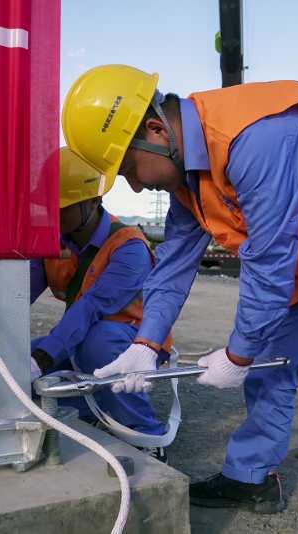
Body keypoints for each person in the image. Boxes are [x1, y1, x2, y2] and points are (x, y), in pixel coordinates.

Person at [62, 65, 298, 533]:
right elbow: (174, 263)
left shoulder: (256, 137)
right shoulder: (187, 174)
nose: (136, 186)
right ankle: (252, 478)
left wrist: (237, 354)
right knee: (269, 363)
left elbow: (269, 261)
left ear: (157, 131)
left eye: (128, 170)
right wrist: (145, 343)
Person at [30, 147, 172, 460]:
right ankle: (93, 408)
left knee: (95, 343)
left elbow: (92, 307)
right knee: (21, 361)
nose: (54, 216)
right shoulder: (53, 243)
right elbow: (17, 295)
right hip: (80, 336)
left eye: (63, 208)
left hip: (131, 340)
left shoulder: (129, 248)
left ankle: (147, 436)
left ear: (93, 201)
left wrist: (43, 357)